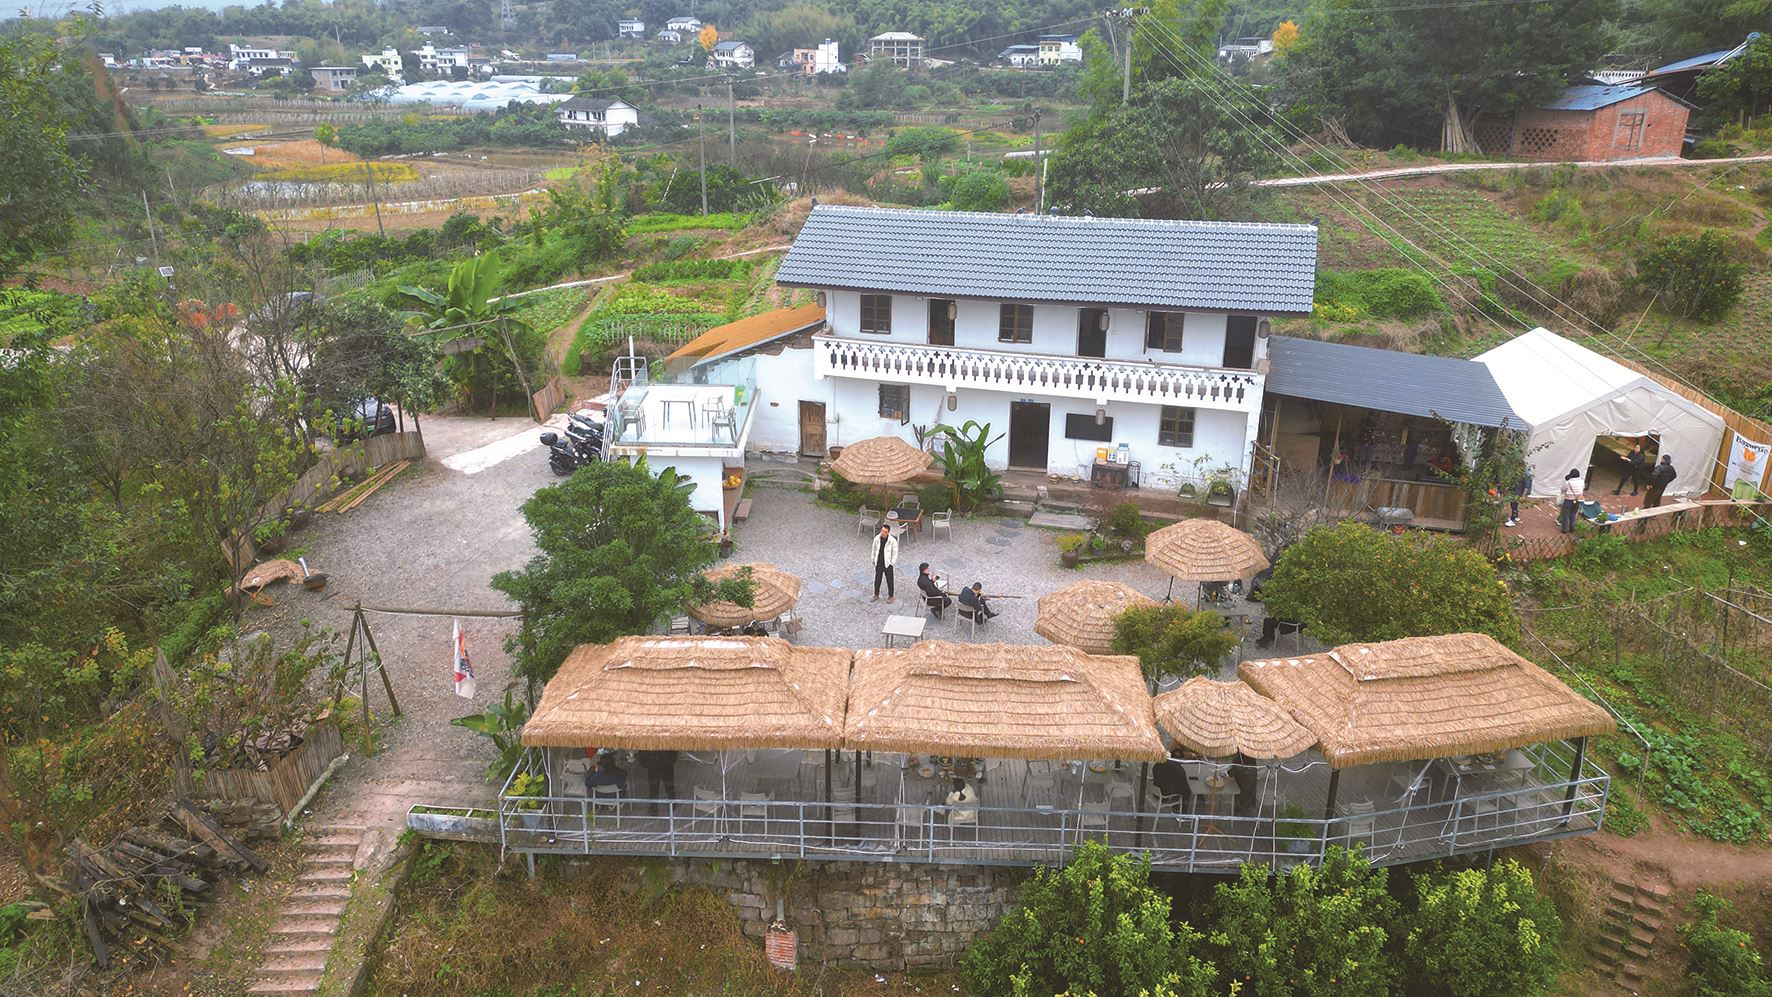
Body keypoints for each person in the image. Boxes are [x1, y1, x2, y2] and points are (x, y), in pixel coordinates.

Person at [869, 523, 898, 603]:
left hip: (887, 564)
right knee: (877, 579)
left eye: (885, 531)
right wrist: (873, 559)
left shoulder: (892, 541)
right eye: (882, 531)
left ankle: (891, 596)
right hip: (879, 563)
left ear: (888, 532)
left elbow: (894, 553)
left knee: (890, 580)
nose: (883, 533)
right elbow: (873, 549)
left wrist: (892, 563)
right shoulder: (877, 538)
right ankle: (876, 594)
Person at [1558, 468, 1584, 534]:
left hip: (1568, 500)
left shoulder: (1568, 482)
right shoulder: (1582, 481)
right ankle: (1572, 529)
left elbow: (1562, 490)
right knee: (1573, 514)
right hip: (1577, 499)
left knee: (1565, 514)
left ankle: (1564, 529)